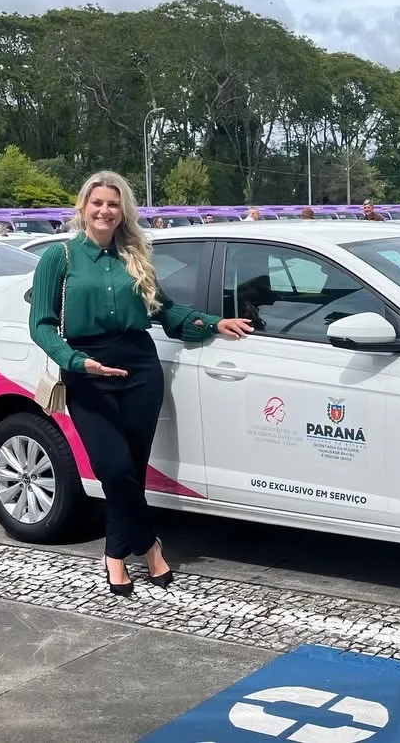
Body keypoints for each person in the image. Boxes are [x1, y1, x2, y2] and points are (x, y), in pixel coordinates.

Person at [29, 171, 254, 596]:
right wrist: (75, 361)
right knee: (113, 469)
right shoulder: (60, 257)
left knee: (131, 471)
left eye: (113, 204)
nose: (105, 211)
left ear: (123, 211)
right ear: (84, 207)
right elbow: (40, 324)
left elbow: (164, 310)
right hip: (88, 371)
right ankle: (149, 546)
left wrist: (213, 322)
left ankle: (115, 554)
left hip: (139, 369)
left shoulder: (134, 255)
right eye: (97, 202)